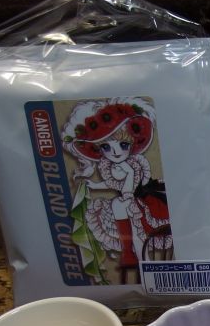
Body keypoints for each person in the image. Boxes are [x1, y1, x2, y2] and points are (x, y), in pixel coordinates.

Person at [62, 98, 171, 276]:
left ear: (133, 142)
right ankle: (129, 254)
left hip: (142, 200)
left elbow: (131, 186)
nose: (115, 152)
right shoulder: (107, 166)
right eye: (106, 147)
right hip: (126, 200)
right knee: (119, 210)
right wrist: (95, 185)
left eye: (123, 145)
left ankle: (144, 261)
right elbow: (113, 183)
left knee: (136, 230)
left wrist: (129, 177)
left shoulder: (133, 164)